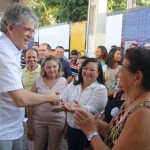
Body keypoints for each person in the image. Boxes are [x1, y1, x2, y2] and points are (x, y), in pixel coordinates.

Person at [0, 3, 60, 150]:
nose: (31, 35)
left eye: (33, 31)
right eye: (27, 29)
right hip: (3, 132)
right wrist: (50, 97)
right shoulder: (3, 51)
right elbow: (20, 98)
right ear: (11, 28)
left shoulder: (12, 49)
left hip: (12, 128)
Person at [75, 47, 150, 150]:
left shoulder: (144, 113)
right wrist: (83, 112)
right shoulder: (131, 100)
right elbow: (108, 130)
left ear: (137, 77)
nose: (118, 74)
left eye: (123, 68)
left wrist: (91, 132)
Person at [55, 58, 108, 150]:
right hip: (72, 128)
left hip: (88, 131)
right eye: (85, 68)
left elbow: (92, 110)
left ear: (98, 73)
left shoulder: (101, 89)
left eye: (92, 70)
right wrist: (56, 100)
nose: (88, 72)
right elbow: (62, 97)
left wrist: (71, 107)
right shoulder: (74, 83)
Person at [29, 56, 67, 150]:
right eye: (48, 67)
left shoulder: (64, 81)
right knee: (36, 147)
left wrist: (66, 126)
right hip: (38, 120)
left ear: (58, 66)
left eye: (54, 66)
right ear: (44, 68)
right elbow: (30, 103)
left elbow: (67, 104)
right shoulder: (38, 80)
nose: (52, 69)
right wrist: (30, 125)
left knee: (54, 147)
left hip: (58, 120)